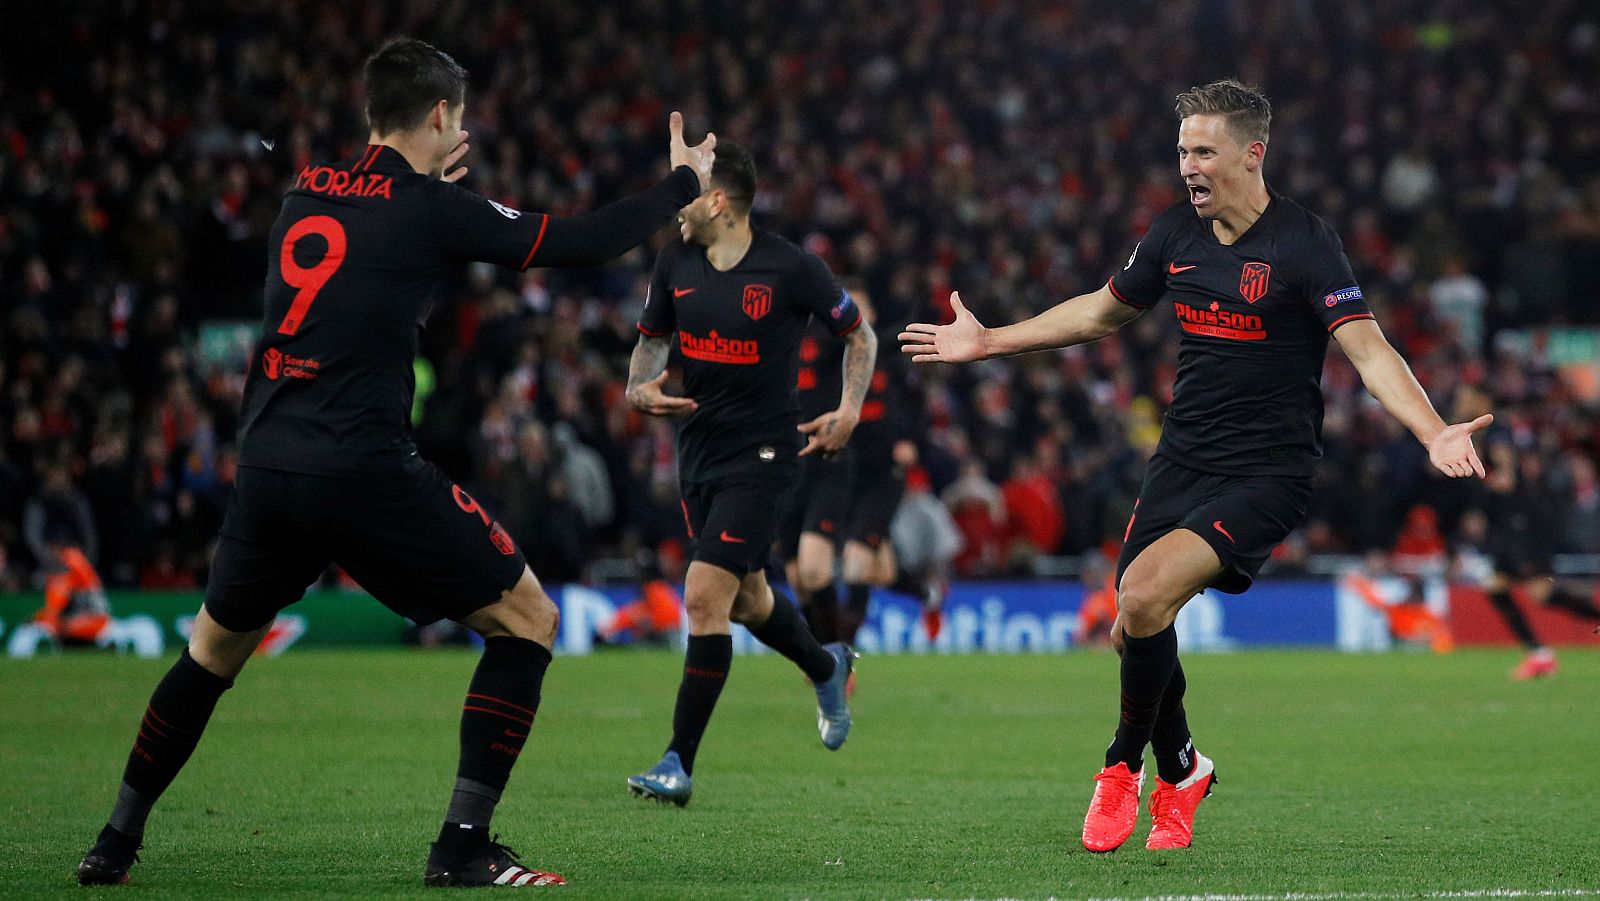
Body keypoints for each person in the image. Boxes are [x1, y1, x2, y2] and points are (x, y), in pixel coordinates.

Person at [77, 37, 716, 888]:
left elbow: (369, 252)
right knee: (529, 619)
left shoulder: (303, 191)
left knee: (209, 657)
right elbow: (585, 242)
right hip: (361, 468)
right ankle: (461, 844)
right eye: (465, 114)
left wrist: (429, 203)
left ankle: (113, 842)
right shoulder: (430, 209)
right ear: (444, 114)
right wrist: (683, 186)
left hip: (267, 465)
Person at [900, 80, 1492, 852]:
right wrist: (990, 341)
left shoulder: (1304, 243)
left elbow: (1367, 347)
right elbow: (1101, 309)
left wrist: (1432, 429)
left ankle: (1120, 769)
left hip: (1267, 472)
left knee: (1142, 597)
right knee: (1130, 626)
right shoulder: (1175, 233)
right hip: (1181, 458)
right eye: (1182, 151)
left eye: (1203, 150)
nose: (1188, 166)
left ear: (1253, 155)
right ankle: (1183, 769)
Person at [624, 142, 877, 806]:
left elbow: (860, 334)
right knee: (748, 599)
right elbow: (652, 337)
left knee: (705, 596)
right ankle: (827, 664)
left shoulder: (790, 267)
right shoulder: (673, 258)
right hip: (698, 455)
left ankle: (677, 761)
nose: (675, 199)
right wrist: (637, 386)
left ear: (720, 202)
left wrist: (849, 410)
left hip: (765, 457)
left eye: (689, 189)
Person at [1466, 445, 1600, 679]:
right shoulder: (1493, 486)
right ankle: (1539, 654)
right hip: (1508, 549)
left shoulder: (1533, 484)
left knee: (1542, 596)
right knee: (1495, 588)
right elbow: (1486, 516)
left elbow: (1545, 515)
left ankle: (1543, 654)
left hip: (1532, 548)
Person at [777, 308, 855, 643]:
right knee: (797, 578)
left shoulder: (830, 333)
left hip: (827, 462)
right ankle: (822, 653)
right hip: (784, 466)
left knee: (813, 568)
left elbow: (865, 341)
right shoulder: (767, 334)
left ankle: (836, 655)